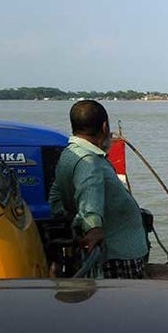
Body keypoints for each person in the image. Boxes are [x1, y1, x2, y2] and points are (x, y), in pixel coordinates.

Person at [49, 100, 148, 278]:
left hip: (114, 252)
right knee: (127, 303)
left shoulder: (69, 155)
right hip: (118, 257)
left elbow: (55, 198)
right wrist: (93, 228)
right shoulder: (89, 162)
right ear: (104, 127)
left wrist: (73, 221)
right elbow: (89, 199)